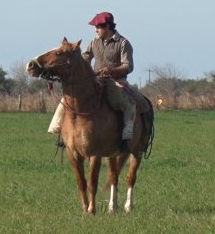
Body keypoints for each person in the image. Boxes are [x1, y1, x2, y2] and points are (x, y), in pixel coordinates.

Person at [49, 12, 147, 151]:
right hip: (94, 80)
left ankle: (127, 138)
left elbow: (128, 66)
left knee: (127, 104)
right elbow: (85, 58)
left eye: (98, 27)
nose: (95, 30)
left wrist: (111, 70)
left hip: (115, 81)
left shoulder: (123, 43)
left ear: (107, 26)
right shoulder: (94, 42)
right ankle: (61, 131)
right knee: (67, 101)